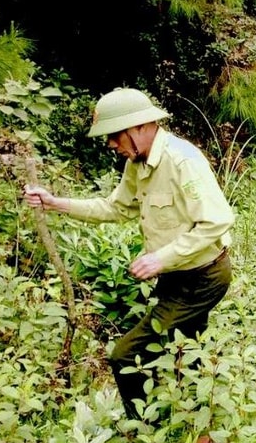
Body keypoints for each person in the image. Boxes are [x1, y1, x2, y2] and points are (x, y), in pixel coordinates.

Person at [23, 88, 234, 421]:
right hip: (176, 277)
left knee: (124, 355)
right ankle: (196, 421)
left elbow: (217, 220)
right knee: (187, 349)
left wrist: (161, 258)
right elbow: (116, 208)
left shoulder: (182, 160)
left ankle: (144, 427)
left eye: (114, 135)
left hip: (203, 277)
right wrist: (55, 203)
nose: (111, 144)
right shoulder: (138, 163)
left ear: (140, 127)